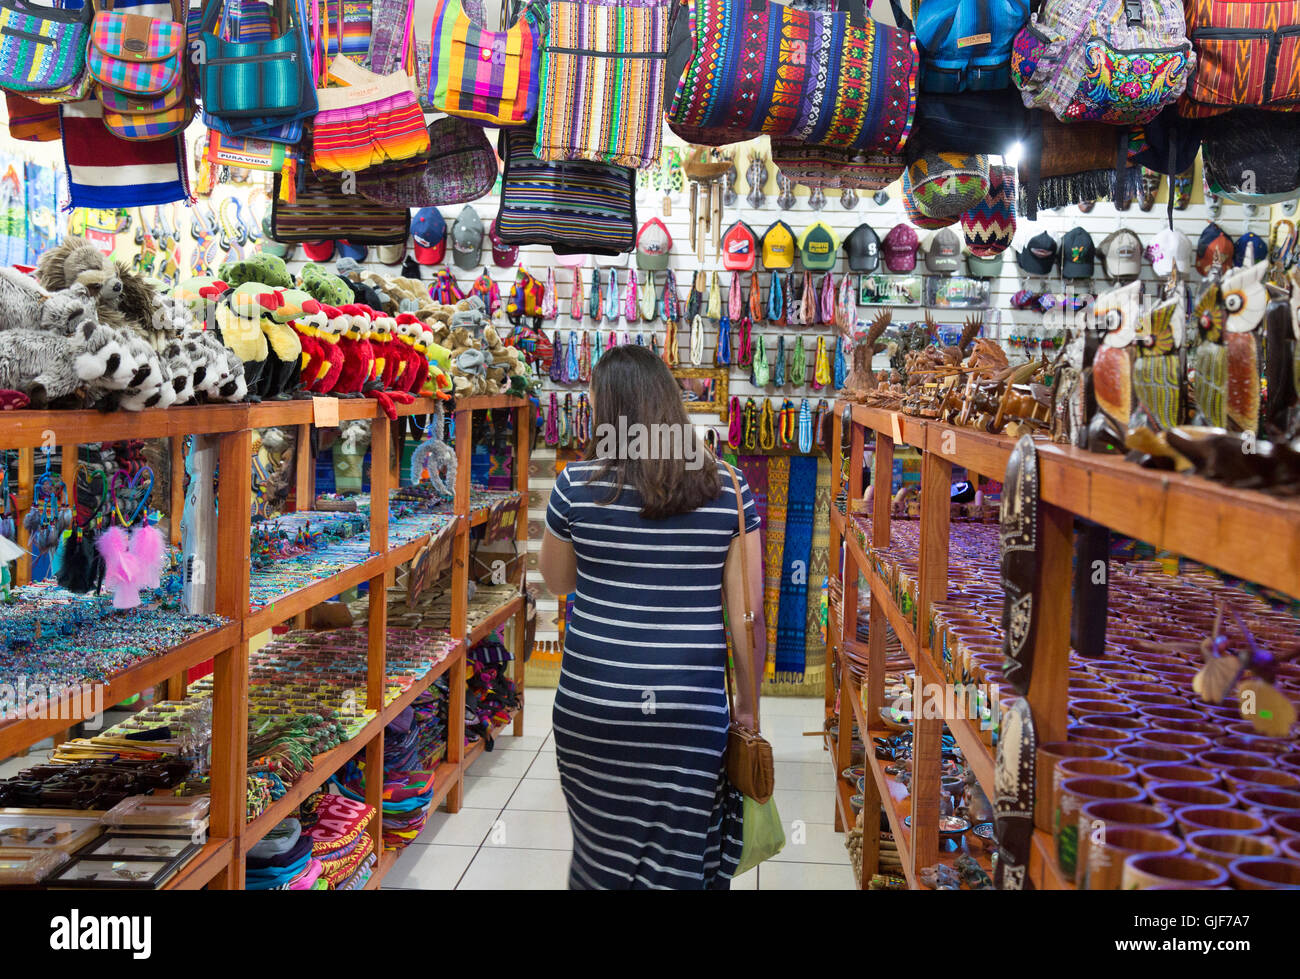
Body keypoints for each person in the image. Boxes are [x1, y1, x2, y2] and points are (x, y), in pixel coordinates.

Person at [539, 344, 766, 890]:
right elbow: (747, 618)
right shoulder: (726, 489)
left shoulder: (576, 486)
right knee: (679, 856)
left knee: (602, 857)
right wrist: (750, 710)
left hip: (594, 705)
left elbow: (559, 582)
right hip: (688, 714)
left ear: (606, 409)